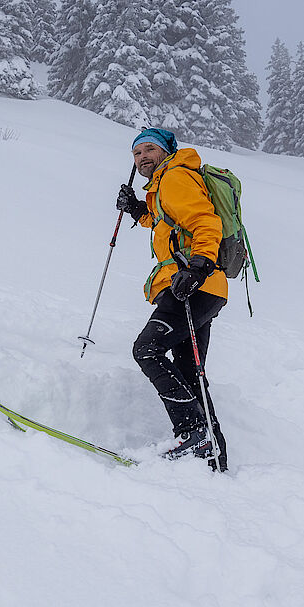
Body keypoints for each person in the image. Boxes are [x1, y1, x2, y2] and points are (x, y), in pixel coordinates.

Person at [115, 128, 229, 470]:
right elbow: (168, 221)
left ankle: (192, 430)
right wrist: (138, 210)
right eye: (137, 153)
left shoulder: (176, 177)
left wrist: (197, 266)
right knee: (189, 372)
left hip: (193, 284)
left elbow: (205, 222)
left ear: (166, 151)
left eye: (150, 149)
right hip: (206, 289)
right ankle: (213, 455)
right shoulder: (166, 184)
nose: (142, 157)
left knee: (146, 350)